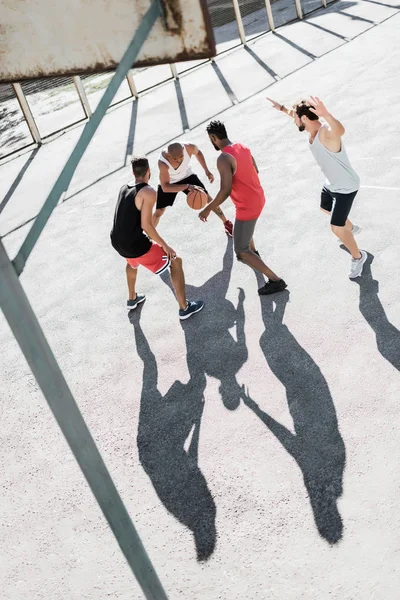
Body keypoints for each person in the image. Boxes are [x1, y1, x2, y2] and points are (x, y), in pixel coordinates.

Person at [267, 96, 367, 279]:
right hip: (332, 183)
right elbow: (293, 113)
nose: (294, 121)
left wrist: (327, 114)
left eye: (296, 118)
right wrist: (281, 108)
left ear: (304, 119)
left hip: (345, 186)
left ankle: (358, 256)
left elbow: (340, 130)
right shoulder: (309, 130)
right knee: (325, 208)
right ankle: (351, 229)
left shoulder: (325, 133)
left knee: (336, 228)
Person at [199, 120, 287, 296]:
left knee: (240, 251)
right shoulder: (243, 147)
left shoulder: (223, 158)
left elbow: (225, 191)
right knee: (245, 235)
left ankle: (276, 281)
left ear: (213, 137)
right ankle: (254, 253)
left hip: (247, 206)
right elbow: (256, 170)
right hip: (258, 197)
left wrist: (208, 208)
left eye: (211, 139)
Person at [110, 156, 204, 320]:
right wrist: (165, 246)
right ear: (149, 172)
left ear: (133, 172)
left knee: (131, 263)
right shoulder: (148, 192)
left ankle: (132, 299)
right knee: (175, 261)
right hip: (134, 244)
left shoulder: (124, 188)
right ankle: (184, 307)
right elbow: (147, 225)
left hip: (117, 241)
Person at [154, 141, 233, 236]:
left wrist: (206, 170)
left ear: (183, 150)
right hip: (170, 182)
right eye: (176, 159)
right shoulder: (163, 163)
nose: (179, 161)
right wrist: (187, 186)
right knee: (159, 211)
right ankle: (148, 236)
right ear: (169, 156)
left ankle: (226, 223)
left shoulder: (189, 147)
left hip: (187, 175)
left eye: (181, 157)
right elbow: (165, 187)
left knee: (207, 197)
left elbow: (198, 153)